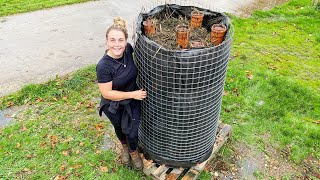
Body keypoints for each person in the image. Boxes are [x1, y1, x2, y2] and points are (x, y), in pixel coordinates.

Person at [96, 17, 147, 170]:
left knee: (132, 132)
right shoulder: (103, 66)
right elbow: (107, 93)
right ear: (107, 42)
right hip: (113, 104)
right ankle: (124, 147)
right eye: (112, 40)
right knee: (119, 128)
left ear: (126, 41)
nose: (117, 45)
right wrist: (133, 94)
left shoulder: (128, 50)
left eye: (120, 40)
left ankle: (132, 151)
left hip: (132, 100)